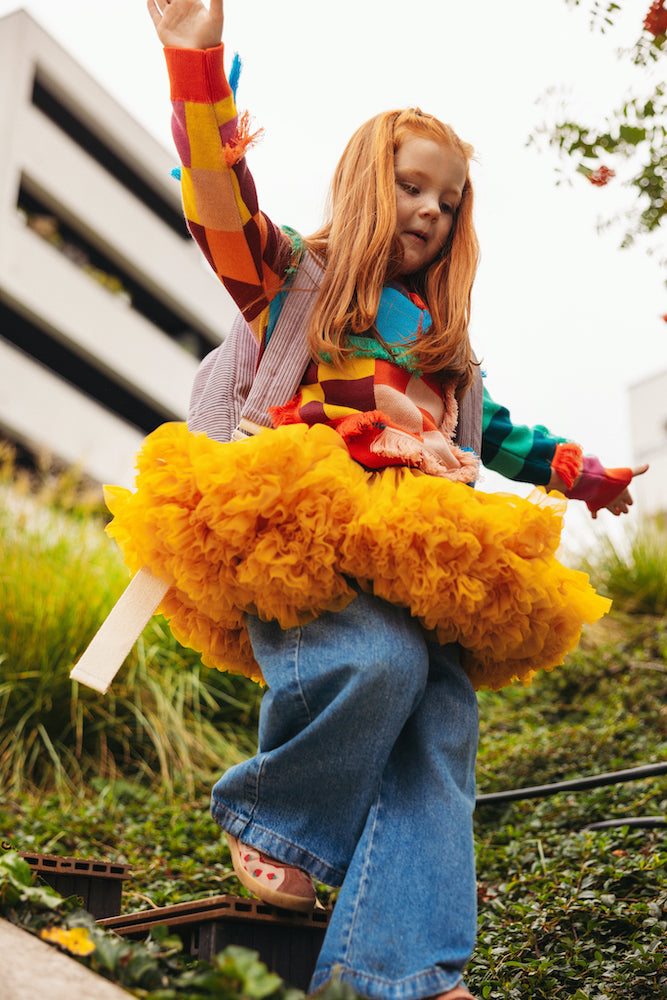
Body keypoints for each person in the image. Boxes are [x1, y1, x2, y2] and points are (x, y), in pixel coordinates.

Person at [109, 3, 647, 998]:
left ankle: (397, 965)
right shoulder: (295, 284)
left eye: (449, 199)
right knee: (374, 659)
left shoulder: (448, 355)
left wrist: (579, 471)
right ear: (368, 184)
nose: (431, 211)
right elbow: (217, 205)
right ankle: (275, 816)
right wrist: (194, 62)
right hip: (300, 544)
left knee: (439, 735)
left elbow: (504, 432)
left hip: (420, 563)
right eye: (411, 186)